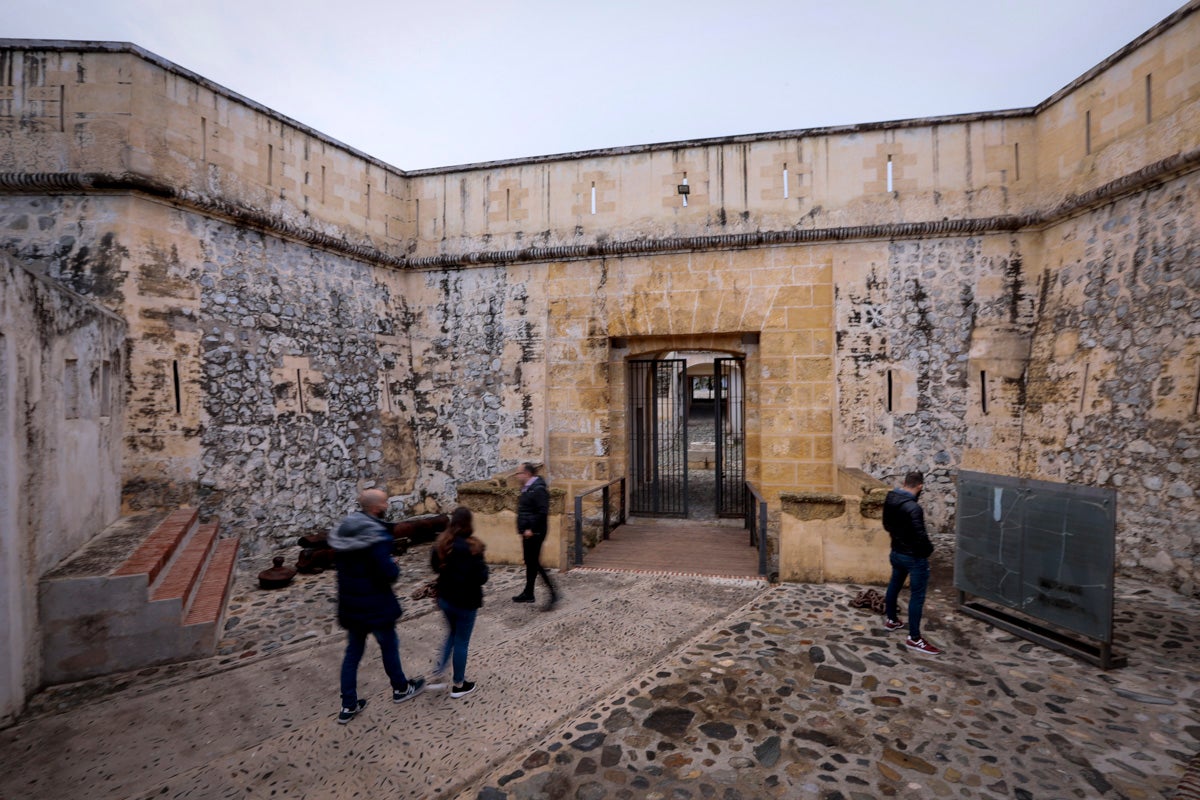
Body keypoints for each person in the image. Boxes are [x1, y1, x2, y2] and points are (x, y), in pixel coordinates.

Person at [329, 488, 425, 723]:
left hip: (352, 603)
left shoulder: (345, 531)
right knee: (389, 646)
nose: (387, 505)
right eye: (385, 502)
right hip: (375, 603)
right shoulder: (376, 535)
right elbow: (389, 573)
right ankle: (401, 688)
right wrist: (393, 563)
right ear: (376, 508)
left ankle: (348, 705)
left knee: (352, 654)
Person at [430, 506, 489, 698]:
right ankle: (458, 684)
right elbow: (482, 577)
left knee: (452, 633)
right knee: (461, 641)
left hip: (446, 598)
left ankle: (439, 671)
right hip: (466, 601)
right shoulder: (474, 548)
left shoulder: (441, 544)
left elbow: (435, 567)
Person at [882, 470, 943, 655]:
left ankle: (892, 620)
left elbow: (886, 525)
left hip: (896, 552)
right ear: (920, 486)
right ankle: (914, 638)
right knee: (917, 596)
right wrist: (928, 551)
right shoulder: (913, 508)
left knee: (894, 585)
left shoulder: (890, 499)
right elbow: (920, 535)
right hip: (914, 558)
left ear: (904, 482)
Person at [511, 461, 557, 608]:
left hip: (535, 532)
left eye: (519, 473)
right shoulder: (528, 488)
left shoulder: (538, 489)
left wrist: (531, 528)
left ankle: (553, 592)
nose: (517, 476)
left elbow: (542, 511)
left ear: (527, 474)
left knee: (534, 562)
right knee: (530, 562)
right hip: (527, 532)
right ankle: (529, 593)